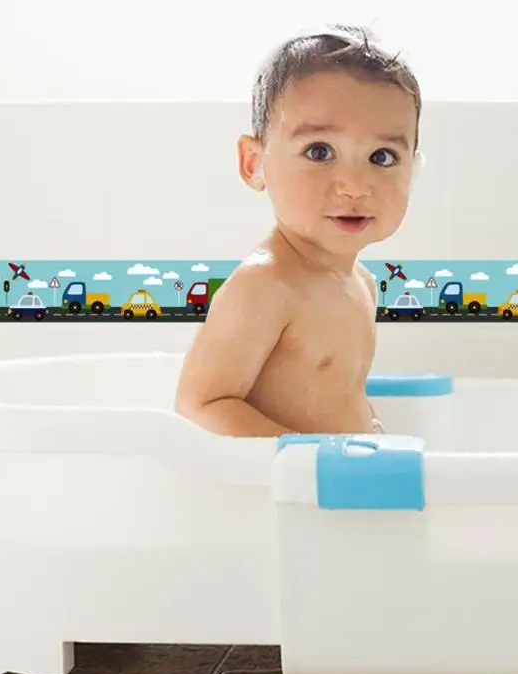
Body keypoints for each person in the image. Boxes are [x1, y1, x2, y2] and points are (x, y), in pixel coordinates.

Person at [175, 23, 422, 437]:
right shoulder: (265, 284)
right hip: (285, 478)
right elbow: (200, 404)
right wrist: (308, 458)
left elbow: (339, 397)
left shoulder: (361, 283)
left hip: (335, 475)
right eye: (319, 152)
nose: (355, 186)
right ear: (254, 164)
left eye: (382, 157)